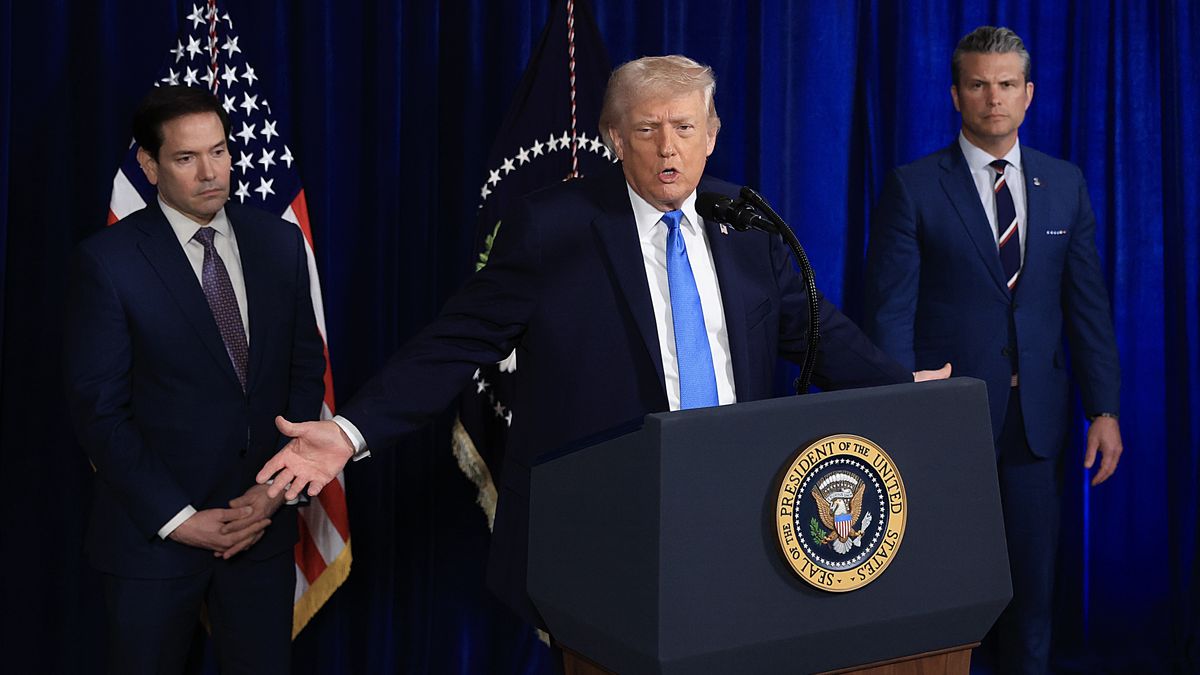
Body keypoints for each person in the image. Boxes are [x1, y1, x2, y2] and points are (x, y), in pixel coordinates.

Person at [257, 55, 948, 627]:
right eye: (647, 129)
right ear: (613, 139)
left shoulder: (749, 226)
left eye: (684, 126)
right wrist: (348, 431)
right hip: (606, 526)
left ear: (712, 133)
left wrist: (897, 392)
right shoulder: (553, 228)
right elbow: (454, 342)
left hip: (740, 510)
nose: (668, 146)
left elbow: (818, 333)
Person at [864, 26, 1123, 674]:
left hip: (1037, 427)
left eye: (1006, 84)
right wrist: (901, 408)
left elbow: (1086, 306)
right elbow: (891, 310)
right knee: (944, 600)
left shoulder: (1064, 184)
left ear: (1028, 94)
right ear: (956, 94)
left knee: (1032, 601)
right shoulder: (914, 187)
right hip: (946, 426)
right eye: (978, 84)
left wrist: (1106, 409)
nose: (993, 97)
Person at [63, 86, 326, 674]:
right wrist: (181, 520)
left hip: (259, 529)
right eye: (186, 158)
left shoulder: (280, 243)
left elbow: (305, 373)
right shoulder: (108, 262)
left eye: (219, 151)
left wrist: (273, 493)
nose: (211, 172)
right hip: (152, 541)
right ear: (149, 166)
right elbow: (99, 412)